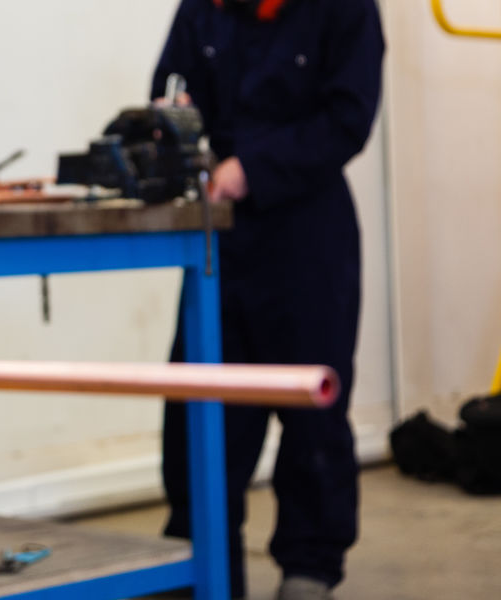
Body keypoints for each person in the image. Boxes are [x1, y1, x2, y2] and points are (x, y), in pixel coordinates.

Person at [151, 1, 384, 599]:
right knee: (199, 411)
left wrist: (253, 168)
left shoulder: (345, 9)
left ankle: (309, 569)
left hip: (307, 234)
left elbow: (348, 117)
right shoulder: (203, 9)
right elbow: (169, 93)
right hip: (218, 246)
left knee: (313, 419)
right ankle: (202, 563)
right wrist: (170, 132)